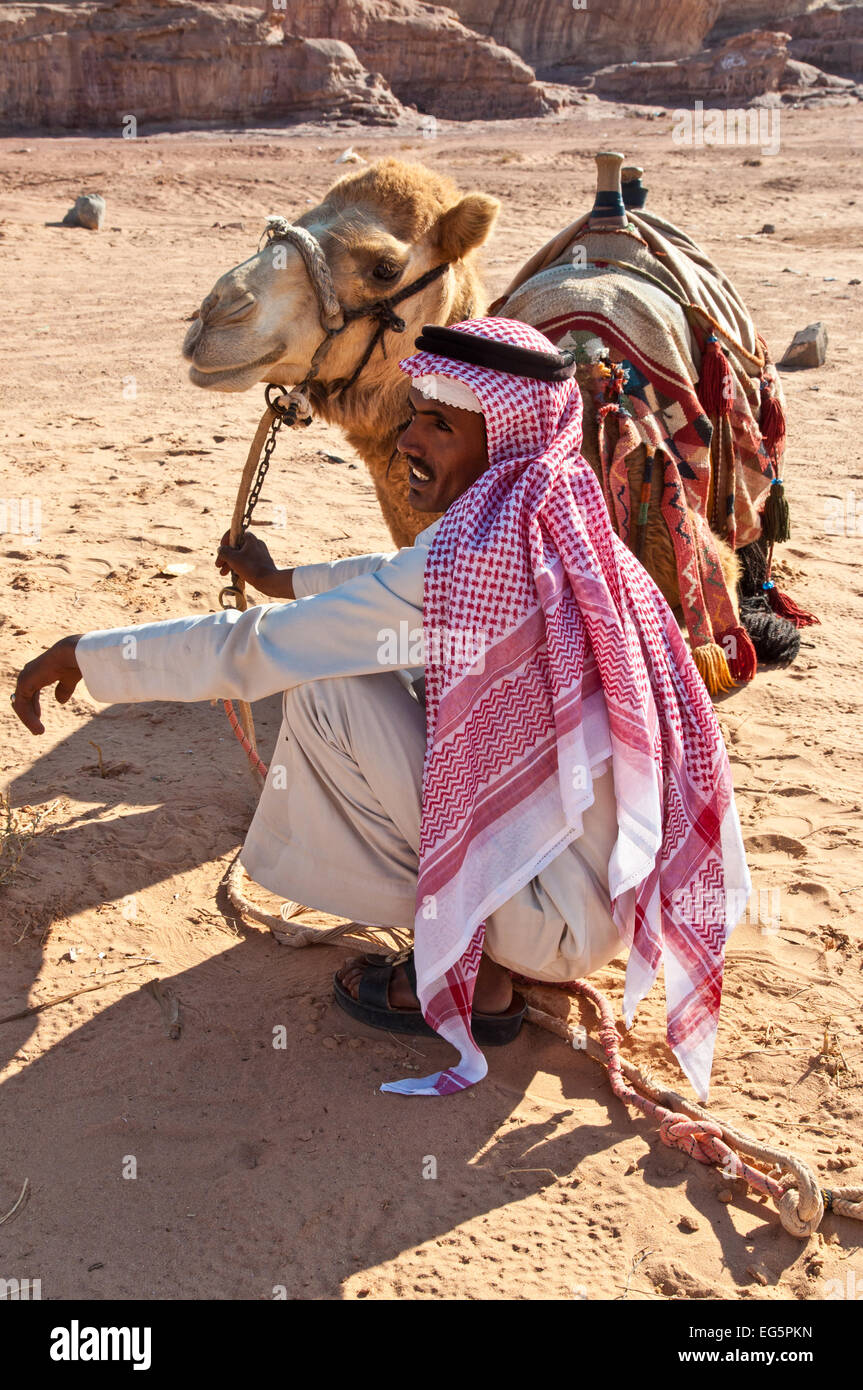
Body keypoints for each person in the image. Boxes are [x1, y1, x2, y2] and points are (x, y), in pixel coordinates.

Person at [10, 317, 750, 1101]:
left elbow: (258, 649)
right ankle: (491, 948)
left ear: (503, 437)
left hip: (548, 919)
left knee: (330, 684)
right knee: (396, 685)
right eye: (414, 417)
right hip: (602, 900)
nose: (408, 443)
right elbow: (397, 578)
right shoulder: (552, 506)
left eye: (440, 424)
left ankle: (482, 973)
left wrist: (86, 655)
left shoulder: (480, 553)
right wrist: (284, 578)